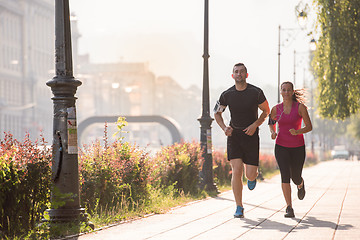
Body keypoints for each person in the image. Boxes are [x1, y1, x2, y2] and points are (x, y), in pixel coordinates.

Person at [214, 63, 270, 218]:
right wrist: (225, 128)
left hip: (251, 136)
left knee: (250, 175)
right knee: (236, 170)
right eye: (236, 72)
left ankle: (252, 178)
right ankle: (239, 206)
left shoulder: (256, 92)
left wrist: (255, 124)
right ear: (232, 75)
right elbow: (217, 114)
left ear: (246, 74)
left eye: (241, 72)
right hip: (234, 137)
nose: (239, 74)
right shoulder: (227, 95)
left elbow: (266, 110)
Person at [268, 81, 312, 218]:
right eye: (283, 90)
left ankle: (300, 183)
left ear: (292, 92)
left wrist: (298, 131)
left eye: (288, 90)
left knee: (295, 176)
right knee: (285, 175)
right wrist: (273, 132)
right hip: (281, 146)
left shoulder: (300, 108)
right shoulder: (276, 109)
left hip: (298, 147)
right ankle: (289, 207)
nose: (286, 92)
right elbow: (271, 122)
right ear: (280, 92)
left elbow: (309, 127)